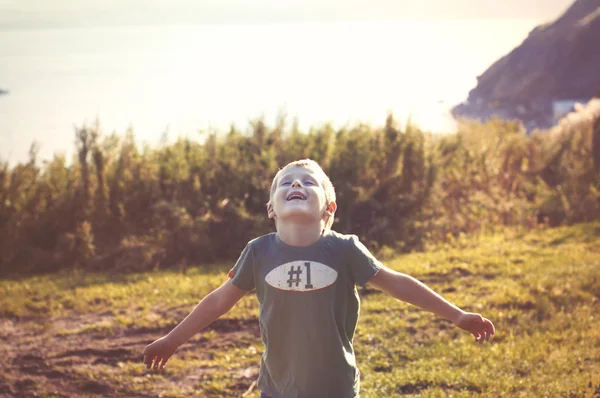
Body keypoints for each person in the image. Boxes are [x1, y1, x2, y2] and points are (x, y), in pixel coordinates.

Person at [142, 159, 495, 398]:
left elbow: (397, 282)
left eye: (309, 181)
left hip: (336, 387)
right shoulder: (258, 252)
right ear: (271, 208)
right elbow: (219, 300)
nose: (296, 183)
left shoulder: (345, 250)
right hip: (278, 387)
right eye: (286, 183)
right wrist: (173, 339)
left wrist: (458, 315)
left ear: (329, 207)